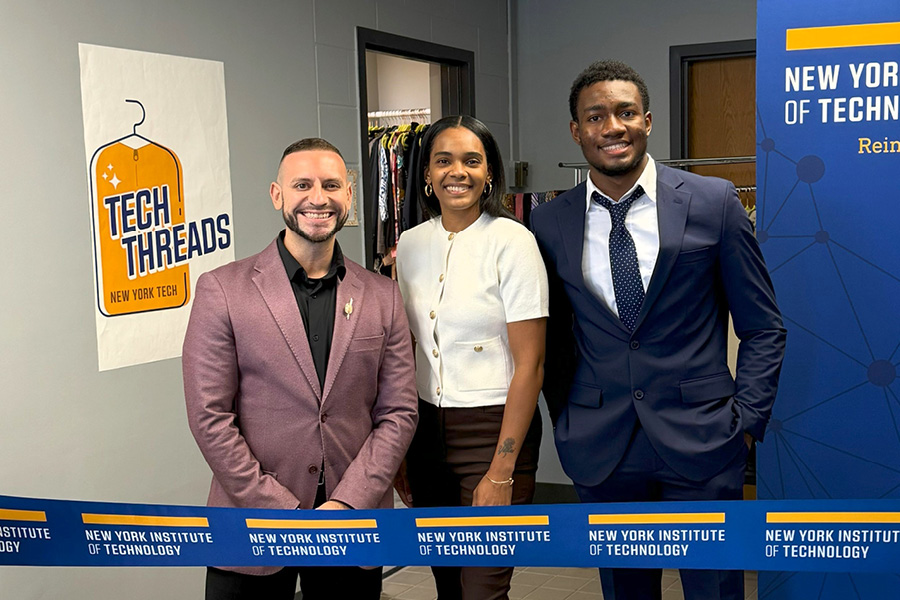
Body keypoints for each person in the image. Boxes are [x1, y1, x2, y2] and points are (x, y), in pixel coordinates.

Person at [530, 60, 786, 600]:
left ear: (647, 120)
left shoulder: (714, 202)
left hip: (705, 439)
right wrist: (568, 418)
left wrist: (746, 423)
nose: (612, 127)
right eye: (595, 116)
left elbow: (763, 326)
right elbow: (550, 336)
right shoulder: (549, 221)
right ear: (576, 132)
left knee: (714, 589)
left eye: (625, 113)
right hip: (602, 447)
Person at [183, 138, 418, 600]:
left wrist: (347, 503)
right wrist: (283, 510)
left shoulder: (382, 295)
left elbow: (399, 412)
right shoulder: (222, 291)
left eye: (331, 185)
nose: (318, 197)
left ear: (348, 196)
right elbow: (209, 418)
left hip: (351, 524)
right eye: (302, 184)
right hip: (252, 525)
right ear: (277, 196)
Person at [395, 115, 548, 600]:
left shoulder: (513, 241)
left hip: (493, 432)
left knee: (483, 587)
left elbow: (532, 364)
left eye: (471, 160)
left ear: (489, 175)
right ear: (425, 174)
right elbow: (407, 350)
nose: (456, 171)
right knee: (447, 584)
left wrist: (501, 470)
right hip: (425, 434)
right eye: (443, 160)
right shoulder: (412, 244)